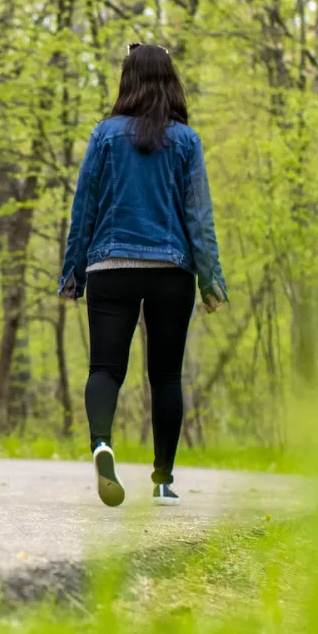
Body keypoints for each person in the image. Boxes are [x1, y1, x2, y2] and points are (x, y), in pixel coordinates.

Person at [58, 43, 227, 506]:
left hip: (111, 265)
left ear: (126, 81)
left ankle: (101, 445)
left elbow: (84, 208)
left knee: (105, 368)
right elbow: (199, 218)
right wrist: (211, 279)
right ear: (170, 81)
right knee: (167, 375)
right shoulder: (186, 141)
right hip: (171, 271)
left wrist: (74, 270)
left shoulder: (105, 135)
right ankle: (163, 479)